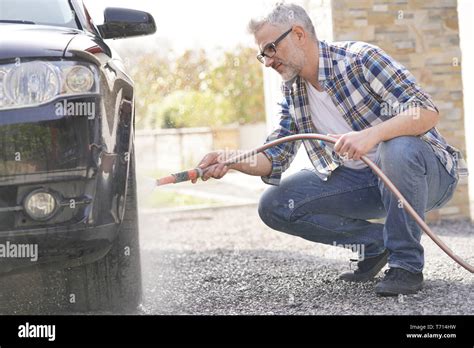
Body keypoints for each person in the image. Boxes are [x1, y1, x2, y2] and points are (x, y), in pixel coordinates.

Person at [193, 3, 467, 296]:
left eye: (271, 48)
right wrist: (232, 160)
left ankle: (406, 265)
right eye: (263, 54)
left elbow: (424, 111)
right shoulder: (293, 90)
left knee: (396, 149)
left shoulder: (361, 59)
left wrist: (371, 136)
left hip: (427, 175)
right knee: (274, 203)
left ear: (298, 34)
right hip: (365, 183)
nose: (268, 61)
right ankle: (375, 245)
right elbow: (276, 156)